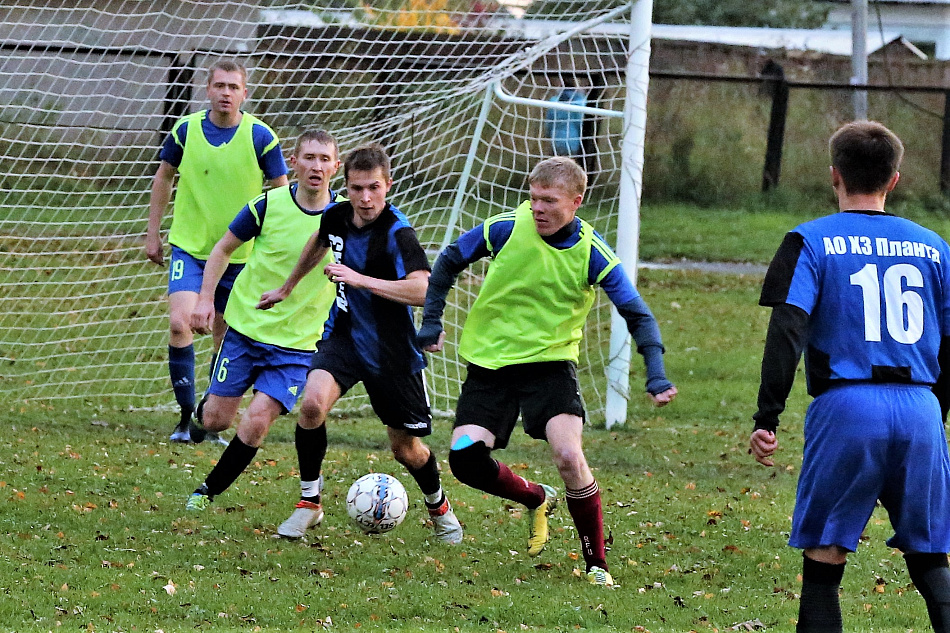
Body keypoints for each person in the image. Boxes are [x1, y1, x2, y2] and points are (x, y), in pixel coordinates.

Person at [417, 156, 677, 586]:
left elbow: (638, 315)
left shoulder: (593, 254)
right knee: (464, 461)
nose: (537, 208)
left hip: (550, 367)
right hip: (490, 364)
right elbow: (447, 261)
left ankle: (597, 565)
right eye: (533, 197)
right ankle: (536, 497)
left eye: (549, 201)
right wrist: (432, 321)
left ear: (576, 202)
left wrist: (656, 373)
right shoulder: (504, 228)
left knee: (569, 457)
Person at [750, 121, 950, 633]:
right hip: (921, 410)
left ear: (834, 175)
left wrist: (767, 414)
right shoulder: (935, 247)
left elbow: (787, 331)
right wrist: (938, 418)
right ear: (895, 179)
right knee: (930, 558)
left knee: (824, 559)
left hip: (847, 408)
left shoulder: (810, 241)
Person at [258, 143, 463, 543]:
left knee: (406, 449)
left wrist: (359, 279)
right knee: (312, 403)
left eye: (373, 188)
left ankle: (439, 507)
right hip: (345, 337)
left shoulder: (398, 232)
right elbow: (319, 241)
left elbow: (422, 290)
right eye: (356, 189)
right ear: (345, 186)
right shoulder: (336, 214)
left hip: (392, 350)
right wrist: (287, 287)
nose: (365, 198)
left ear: (388, 185)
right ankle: (309, 504)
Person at [183, 130, 341, 517]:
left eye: (324, 159)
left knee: (257, 421)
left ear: (335, 167)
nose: (316, 166)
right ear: (294, 162)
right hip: (244, 330)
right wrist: (205, 299)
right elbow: (223, 248)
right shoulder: (267, 205)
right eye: (309, 158)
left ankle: (207, 491)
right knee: (215, 420)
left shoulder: (346, 219)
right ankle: (203, 409)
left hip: (298, 346)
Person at [145, 58, 289, 443]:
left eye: (234, 87)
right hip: (190, 249)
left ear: (245, 93)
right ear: (207, 90)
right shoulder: (185, 131)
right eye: (220, 85)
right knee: (181, 323)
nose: (226, 93)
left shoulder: (262, 137)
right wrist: (152, 233)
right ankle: (183, 416)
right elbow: (163, 177)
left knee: (223, 339)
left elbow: (281, 194)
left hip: (240, 257)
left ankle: (206, 421)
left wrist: (275, 246)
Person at [545, 82, 586, 164]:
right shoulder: (580, 102)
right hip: (574, 141)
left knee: (556, 165)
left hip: (556, 139)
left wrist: (548, 135)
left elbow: (549, 123)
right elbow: (581, 124)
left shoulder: (554, 101)